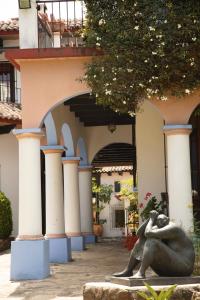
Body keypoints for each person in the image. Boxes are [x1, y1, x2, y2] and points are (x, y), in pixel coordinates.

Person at [113, 210, 195, 278]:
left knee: (152, 242)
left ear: (167, 219)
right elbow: (139, 234)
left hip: (184, 268)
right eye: (158, 220)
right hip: (169, 268)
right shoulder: (159, 227)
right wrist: (150, 219)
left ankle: (141, 273)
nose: (161, 222)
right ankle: (128, 270)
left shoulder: (173, 228)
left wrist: (152, 220)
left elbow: (148, 233)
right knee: (142, 240)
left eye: (163, 220)